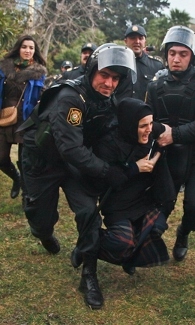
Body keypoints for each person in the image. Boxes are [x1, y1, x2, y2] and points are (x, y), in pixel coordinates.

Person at [20, 43, 137, 309]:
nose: (108, 83)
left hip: (72, 164)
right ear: (92, 70)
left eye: (115, 78)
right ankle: (44, 232)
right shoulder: (71, 97)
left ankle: (89, 275)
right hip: (43, 161)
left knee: (88, 213)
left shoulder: (108, 100)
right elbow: (71, 148)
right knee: (40, 219)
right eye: (104, 75)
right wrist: (108, 172)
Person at [145, 26, 195, 262]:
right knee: (159, 205)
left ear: (193, 56)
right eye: (172, 53)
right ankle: (146, 243)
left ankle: (184, 233)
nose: (176, 59)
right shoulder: (154, 85)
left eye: (183, 54)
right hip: (168, 157)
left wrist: (175, 135)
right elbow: (149, 119)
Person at [83, 98, 176, 275]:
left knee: (156, 227)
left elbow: (164, 132)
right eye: (143, 126)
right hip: (117, 203)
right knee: (122, 242)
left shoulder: (149, 132)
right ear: (129, 124)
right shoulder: (107, 144)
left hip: (142, 200)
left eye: (151, 123)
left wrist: (158, 156)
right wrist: (135, 168)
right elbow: (105, 179)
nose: (149, 129)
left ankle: (131, 257)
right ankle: (88, 248)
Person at [0, 35, 47, 201]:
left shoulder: (38, 72)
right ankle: (16, 178)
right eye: (24, 47)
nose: (28, 51)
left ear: (35, 51)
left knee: (24, 160)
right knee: (1, 158)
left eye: (31, 48)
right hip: (5, 117)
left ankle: (27, 196)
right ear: (18, 48)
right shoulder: (4, 68)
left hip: (26, 120)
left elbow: (41, 96)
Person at [116, 25, 164, 101]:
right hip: (119, 111)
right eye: (133, 38)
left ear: (145, 42)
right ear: (125, 41)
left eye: (140, 38)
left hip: (146, 112)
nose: (137, 41)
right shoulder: (116, 64)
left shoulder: (156, 66)